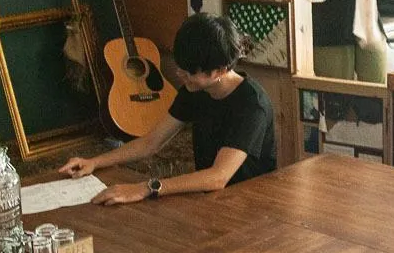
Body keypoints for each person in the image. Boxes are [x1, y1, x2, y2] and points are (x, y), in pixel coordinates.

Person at [59, 13, 275, 204]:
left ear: (219, 70)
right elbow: (151, 142)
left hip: (251, 205)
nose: (181, 74)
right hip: (210, 201)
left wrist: (146, 188)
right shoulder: (194, 90)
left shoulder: (251, 105)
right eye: (181, 67)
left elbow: (218, 176)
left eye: (190, 71)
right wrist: (94, 161)